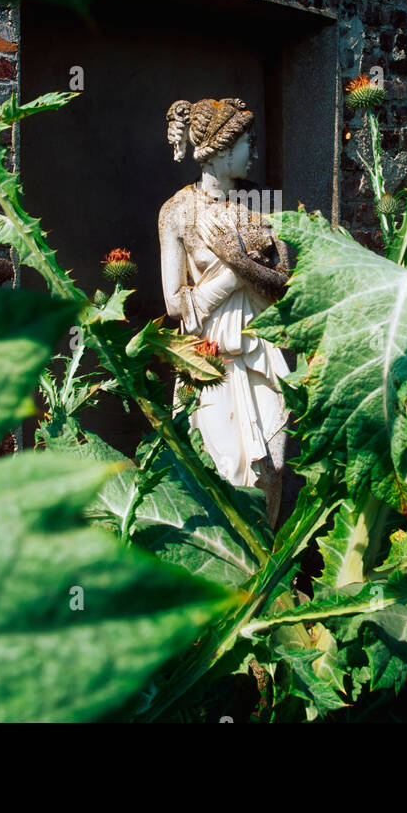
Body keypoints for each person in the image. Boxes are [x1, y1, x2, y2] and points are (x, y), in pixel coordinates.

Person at [159, 98, 292, 524]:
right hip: (210, 362)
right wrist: (237, 269)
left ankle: (265, 577)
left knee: (272, 469)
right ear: (219, 149)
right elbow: (176, 303)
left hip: (259, 355)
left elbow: (284, 286)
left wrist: (244, 262)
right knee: (228, 475)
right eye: (246, 143)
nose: (254, 152)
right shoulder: (177, 213)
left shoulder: (259, 209)